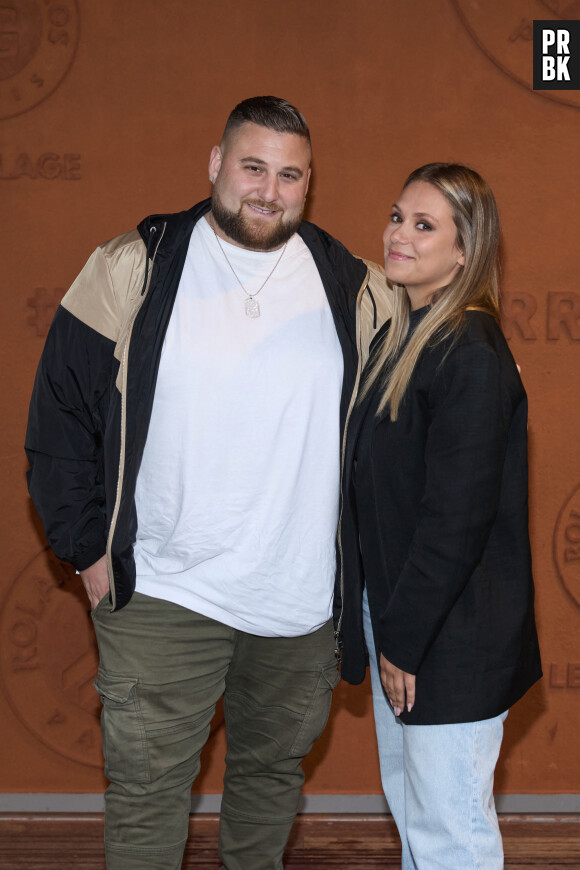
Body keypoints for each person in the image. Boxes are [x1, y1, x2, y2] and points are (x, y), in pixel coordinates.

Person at [25, 96, 389, 870]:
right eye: (253, 167)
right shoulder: (136, 263)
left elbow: (416, 395)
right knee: (148, 788)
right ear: (217, 165)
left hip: (297, 605)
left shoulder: (351, 285)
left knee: (269, 782)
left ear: (309, 183)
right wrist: (84, 547)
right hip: (163, 591)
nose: (269, 189)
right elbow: (58, 415)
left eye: (289, 174)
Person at [337, 163, 542, 870]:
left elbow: (455, 521)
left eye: (424, 225)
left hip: (447, 637)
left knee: (450, 833)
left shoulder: (470, 353)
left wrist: (404, 640)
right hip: (406, 622)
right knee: (422, 821)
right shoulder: (411, 334)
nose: (399, 235)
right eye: (398, 216)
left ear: (465, 251)